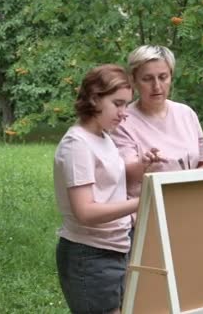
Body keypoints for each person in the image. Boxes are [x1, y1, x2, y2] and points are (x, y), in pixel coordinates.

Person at [54, 64, 148, 314]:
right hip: (89, 255)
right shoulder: (77, 145)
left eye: (127, 105)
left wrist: (142, 167)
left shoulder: (104, 137)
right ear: (95, 98)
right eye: (118, 104)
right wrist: (142, 202)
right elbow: (85, 211)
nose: (124, 112)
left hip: (117, 247)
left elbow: (109, 187)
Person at [112, 45, 203, 201]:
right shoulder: (122, 121)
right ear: (133, 80)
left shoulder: (186, 114)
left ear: (171, 76)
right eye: (147, 79)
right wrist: (144, 163)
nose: (157, 86)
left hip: (191, 203)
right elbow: (126, 175)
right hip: (147, 210)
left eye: (163, 77)